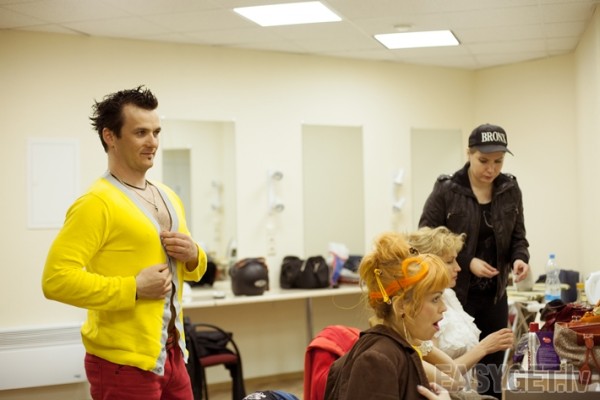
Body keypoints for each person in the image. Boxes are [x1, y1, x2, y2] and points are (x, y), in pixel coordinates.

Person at [42, 86, 207, 400]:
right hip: (122, 363)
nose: (152, 142)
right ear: (110, 136)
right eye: (141, 132)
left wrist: (194, 255)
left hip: (172, 355)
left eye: (156, 132)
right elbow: (55, 280)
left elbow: (193, 270)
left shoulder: (168, 196)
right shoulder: (96, 202)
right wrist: (133, 288)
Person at [419, 123, 530, 399]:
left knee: (492, 371)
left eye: (498, 161)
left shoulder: (510, 189)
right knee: (455, 370)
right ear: (468, 153)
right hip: (455, 294)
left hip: (495, 295)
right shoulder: (447, 189)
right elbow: (425, 239)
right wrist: (467, 261)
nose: (491, 169)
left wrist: (520, 258)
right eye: (483, 161)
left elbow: (519, 236)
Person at [324, 231, 451, 399]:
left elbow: (456, 379)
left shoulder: (401, 348)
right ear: (402, 306)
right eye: (435, 299)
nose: (443, 308)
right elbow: (455, 380)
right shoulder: (378, 361)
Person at [407, 226, 514, 392]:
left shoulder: (449, 295)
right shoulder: (423, 310)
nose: (458, 267)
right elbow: (436, 376)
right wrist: (483, 348)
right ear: (430, 264)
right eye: (450, 261)